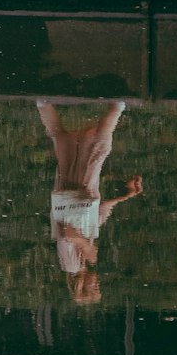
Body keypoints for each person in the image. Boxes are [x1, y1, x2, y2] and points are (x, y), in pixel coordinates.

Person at [38, 99, 142, 305]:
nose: (98, 283)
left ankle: (117, 105)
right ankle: (43, 101)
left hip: (78, 197)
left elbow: (66, 233)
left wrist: (87, 247)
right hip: (75, 197)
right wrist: (126, 195)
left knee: (99, 148)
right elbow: (98, 215)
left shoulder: (71, 266)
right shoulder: (82, 261)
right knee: (64, 143)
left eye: (94, 288)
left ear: (81, 285)